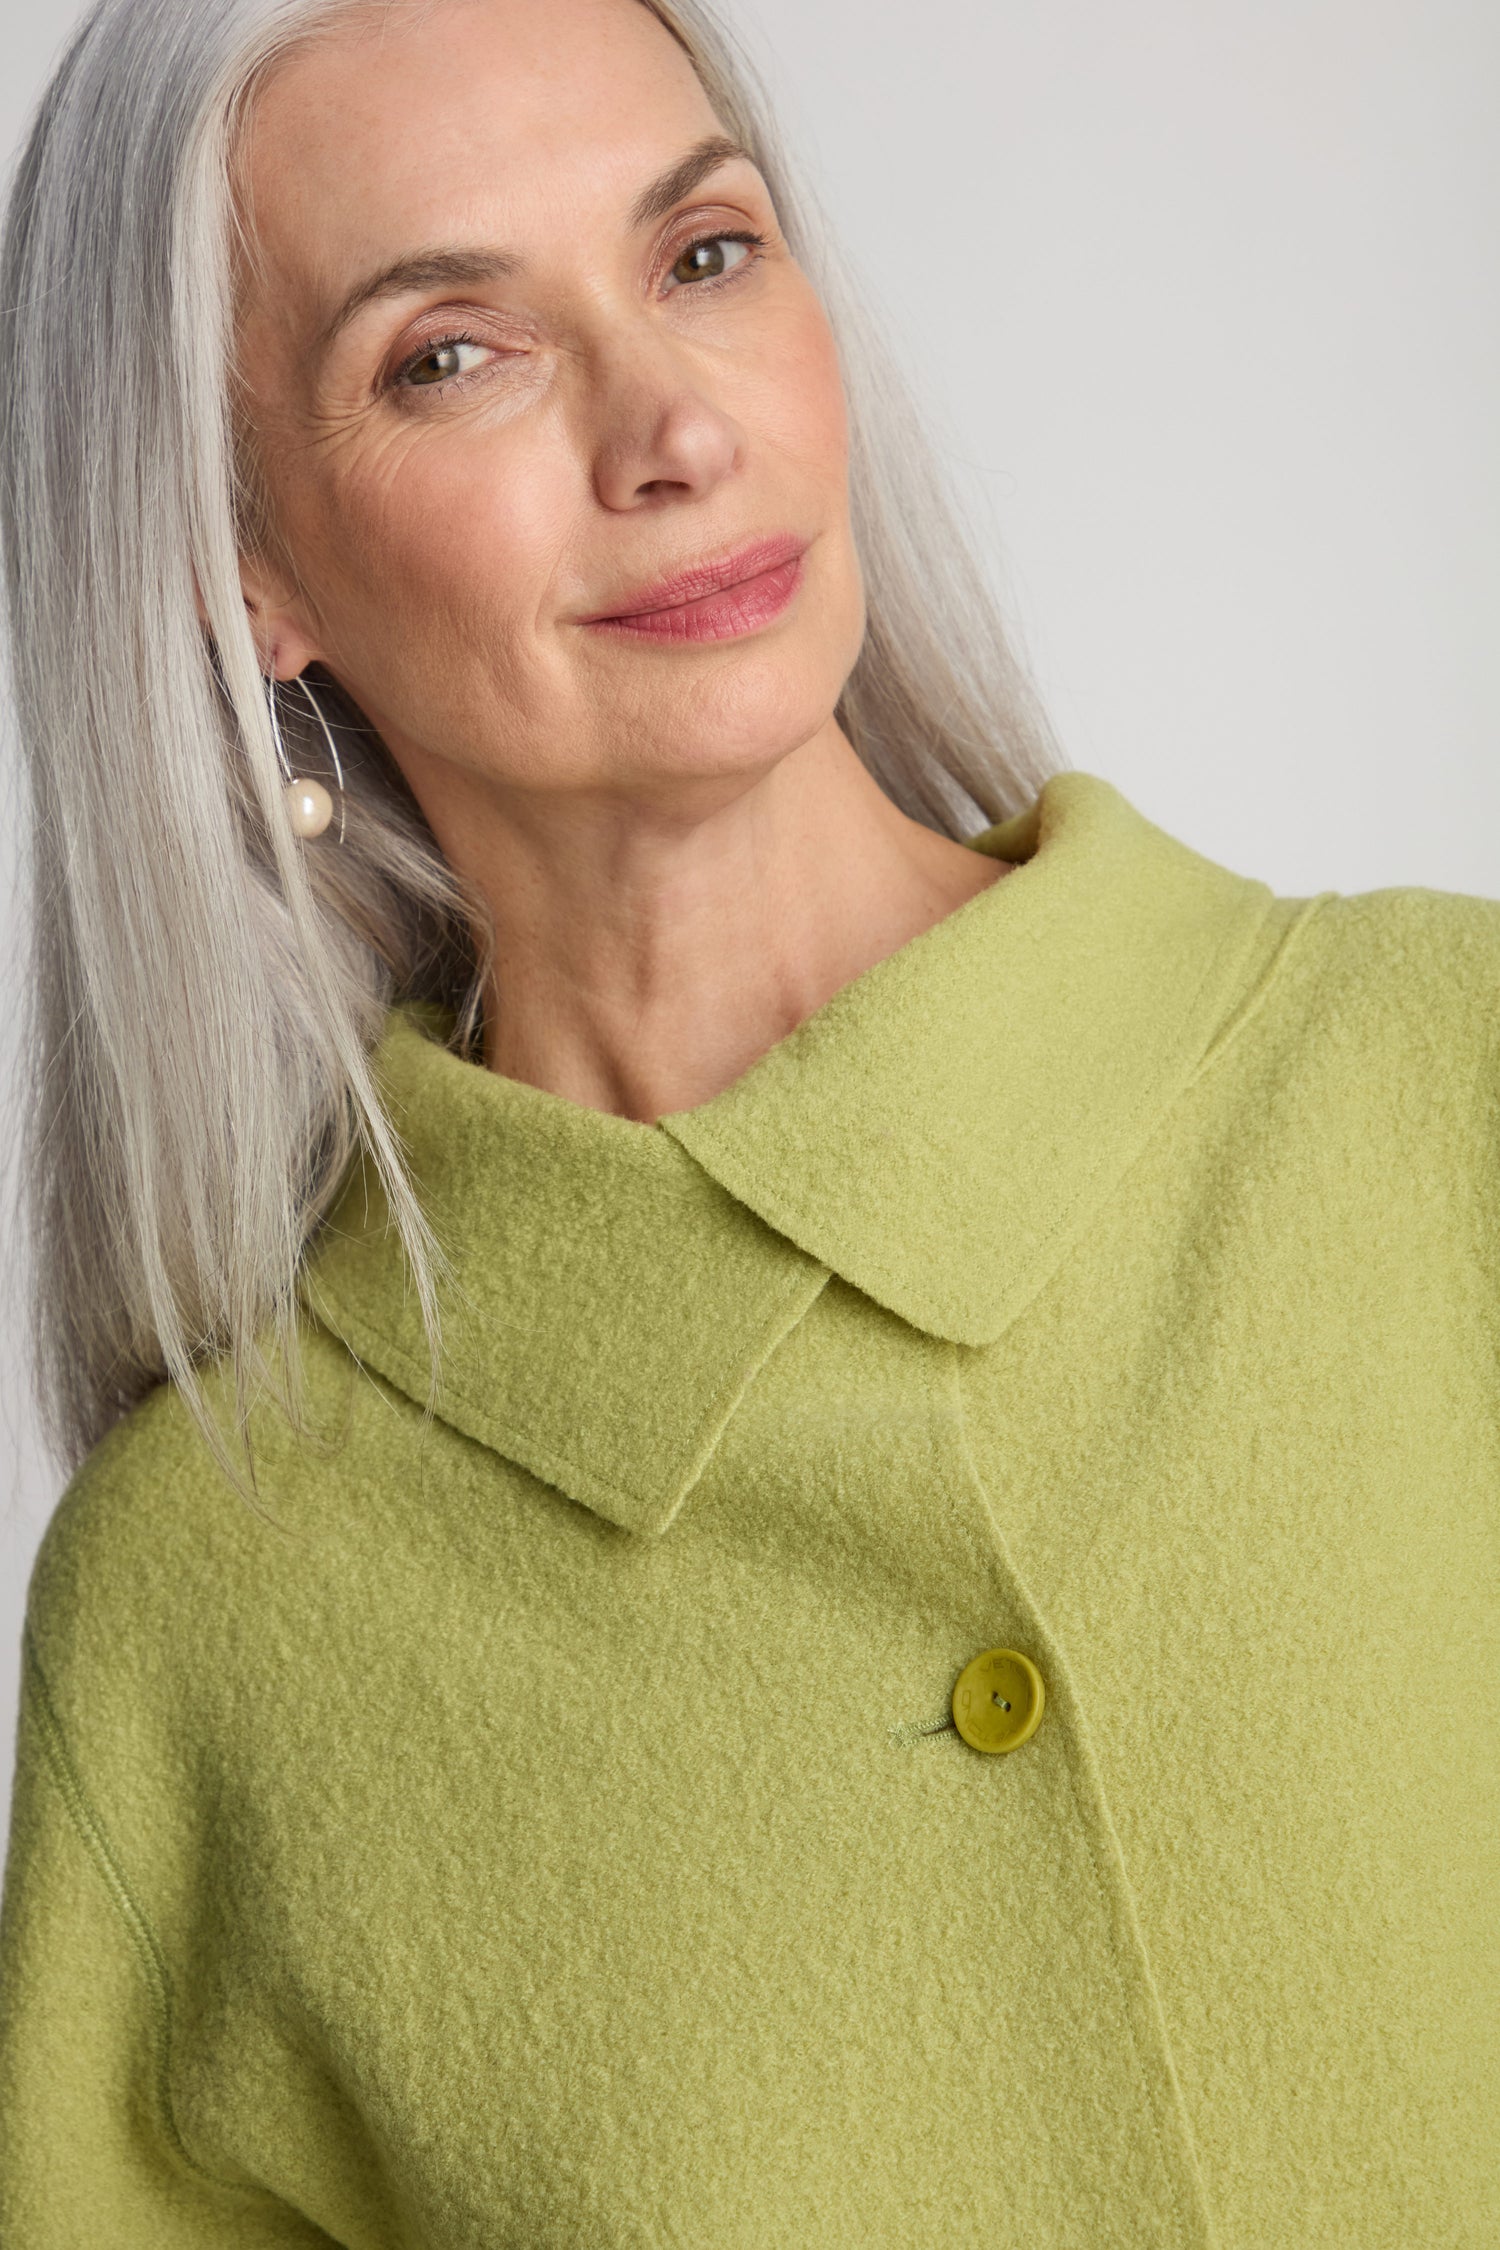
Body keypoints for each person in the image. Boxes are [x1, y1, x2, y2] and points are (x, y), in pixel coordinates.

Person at [0, 0, 1494, 2241]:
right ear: (249, 578)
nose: (673, 424)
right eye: (449, 354)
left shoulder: (1436, 1081)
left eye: (701, 253)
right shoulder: (207, 1615)